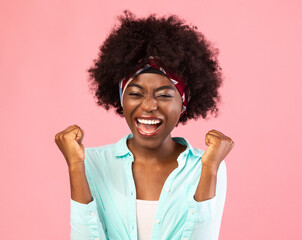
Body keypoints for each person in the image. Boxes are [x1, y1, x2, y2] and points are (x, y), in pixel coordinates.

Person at [55, 10, 234, 240]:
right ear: (121, 99)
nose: (149, 106)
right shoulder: (92, 162)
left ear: (184, 103)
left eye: (164, 95)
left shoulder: (206, 165)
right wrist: (75, 167)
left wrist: (209, 169)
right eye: (137, 93)